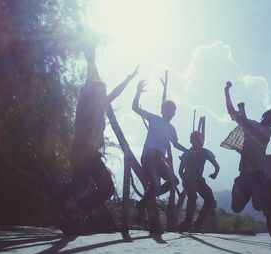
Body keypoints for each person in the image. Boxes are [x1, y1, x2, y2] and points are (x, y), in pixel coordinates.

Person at [47, 43, 138, 233]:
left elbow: (115, 93)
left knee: (108, 188)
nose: (103, 94)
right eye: (99, 92)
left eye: (103, 93)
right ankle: (58, 205)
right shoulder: (84, 105)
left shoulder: (101, 105)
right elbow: (91, 80)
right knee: (79, 183)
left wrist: (128, 79)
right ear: (91, 93)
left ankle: (79, 208)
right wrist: (91, 60)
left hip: (92, 154)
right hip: (81, 151)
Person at [132, 81, 189, 234]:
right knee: (156, 184)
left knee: (174, 181)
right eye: (167, 109)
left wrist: (189, 151)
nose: (169, 111)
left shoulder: (171, 129)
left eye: (172, 110)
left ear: (174, 113)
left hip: (158, 160)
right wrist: (138, 92)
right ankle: (143, 204)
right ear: (162, 110)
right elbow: (135, 108)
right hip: (149, 156)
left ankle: (142, 203)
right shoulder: (155, 119)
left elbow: (176, 144)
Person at [221, 81, 271, 214]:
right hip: (244, 172)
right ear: (264, 115)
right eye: (269, 117)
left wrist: (243, 110)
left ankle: (257, 192)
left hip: (258, 174)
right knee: (236, 209)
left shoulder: (266, 131)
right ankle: (241, 186)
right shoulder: (253, 124)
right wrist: (226, 91)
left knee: (260, 205)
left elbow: (247, 127)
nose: (269, 121)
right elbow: (231, 112)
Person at [177, 131, 220, 232]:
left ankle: (193, 225)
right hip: (193, 180)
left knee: (199, 199)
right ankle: (194, 225)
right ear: (192, 140)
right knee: (203, 199)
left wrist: (215, 173)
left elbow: (180, 171)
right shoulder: (190, 153)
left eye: (202, 139)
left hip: (193, 180)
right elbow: (216, 166)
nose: (201, 141)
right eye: (199, 139)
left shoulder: (201, 152)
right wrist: (186, 180)